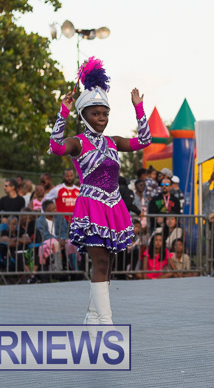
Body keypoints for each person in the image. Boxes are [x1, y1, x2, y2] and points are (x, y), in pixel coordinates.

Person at [49, 57, 150, 324]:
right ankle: (107, 323)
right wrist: (63, 110)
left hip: (114, 207)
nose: (102, 118)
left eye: (105, 113)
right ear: (84, 115)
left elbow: (145, 140)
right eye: (95, 113)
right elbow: (56, 147)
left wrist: (138, 108)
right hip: (92, 207)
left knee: (109, 267)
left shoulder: (113, 142)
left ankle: (92, 319)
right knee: (101, 264)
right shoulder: (78, 143)